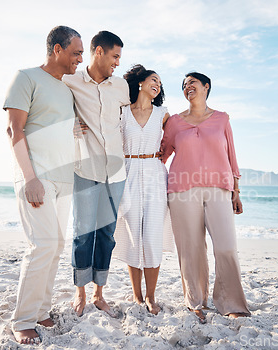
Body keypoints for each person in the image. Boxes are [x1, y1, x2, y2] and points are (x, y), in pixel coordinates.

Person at [3, 26, 83, 344]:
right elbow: (14, 129)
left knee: (57, 247)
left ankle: (41, 311)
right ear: (57, 50)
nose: (80, 58)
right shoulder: (26, 77)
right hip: (37, 176)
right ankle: (22, 320)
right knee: (43, 246)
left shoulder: (67, 90)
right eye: (76, 52)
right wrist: (30, 178)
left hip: (65, 179)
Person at [161, 72, 251, 323]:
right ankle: (195, 301)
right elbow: (161, 154)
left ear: (206, 87)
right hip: (181, 190)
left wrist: (236, 190)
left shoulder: (222, 119)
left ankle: (231, 301)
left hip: (219, 189)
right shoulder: (175, 122)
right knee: (191, 249)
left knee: (226, 246)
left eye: (192, 82)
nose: (187, 86)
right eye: (184, 85)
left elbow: (231, 155)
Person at [63, 31, 130, 317]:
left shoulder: (121, 86)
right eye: (115, 56)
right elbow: (51, 107)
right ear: (98, 52)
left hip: (116, 173)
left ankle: (99, 293)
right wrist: (70, 123)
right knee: (82, 233)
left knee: (107, 234)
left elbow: (133, 118)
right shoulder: (71, 81)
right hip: (85, 167)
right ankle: (79, 293)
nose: (117, 63)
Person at [113, 64, 173, 315]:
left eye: (159, 82)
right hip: (127, 172)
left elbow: (174, 140)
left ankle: (150, 296)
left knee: (151, 236)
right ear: (140, 83)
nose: (157, 84)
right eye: (153, 79)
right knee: (132, 236)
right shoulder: (122, 112)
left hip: (154, 173)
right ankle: (137, 296)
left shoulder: (163, 114)